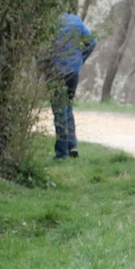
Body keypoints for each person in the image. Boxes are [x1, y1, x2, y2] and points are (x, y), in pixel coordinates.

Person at [44, 11, 97, 159]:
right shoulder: (76, 21)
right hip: (73, 71)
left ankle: (61, 153)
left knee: (59, 111)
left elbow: (43, 49)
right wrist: (80, 58)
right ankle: (72, 145)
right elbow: (92, 42)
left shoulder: (49, 23)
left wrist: (43, 67)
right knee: (67, 106)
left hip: (56, 70)